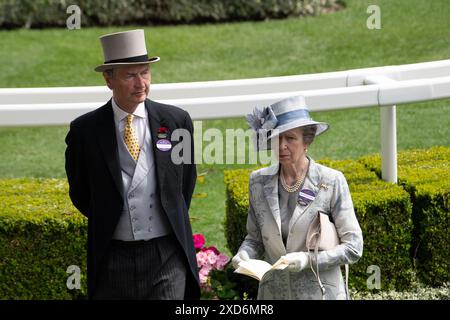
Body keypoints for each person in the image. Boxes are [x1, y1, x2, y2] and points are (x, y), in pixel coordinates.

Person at [65, 29, 200, 300]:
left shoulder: (176, 121)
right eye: (130, 75)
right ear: (108, 79)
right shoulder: (85, 131)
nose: (141, 83)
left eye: (145, 73)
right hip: (112, 257)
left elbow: (185, 184)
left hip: (167, 255)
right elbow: (80, 193)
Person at [232, 95, 363, 300]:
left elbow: (354, 247)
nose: (282, 145)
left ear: (306, 141)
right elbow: (255, 238)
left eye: (290, 138)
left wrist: (307, 259)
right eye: (276, 138)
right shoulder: (258, 182)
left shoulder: (331, 181)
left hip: (321, 294)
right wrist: (244, 254)